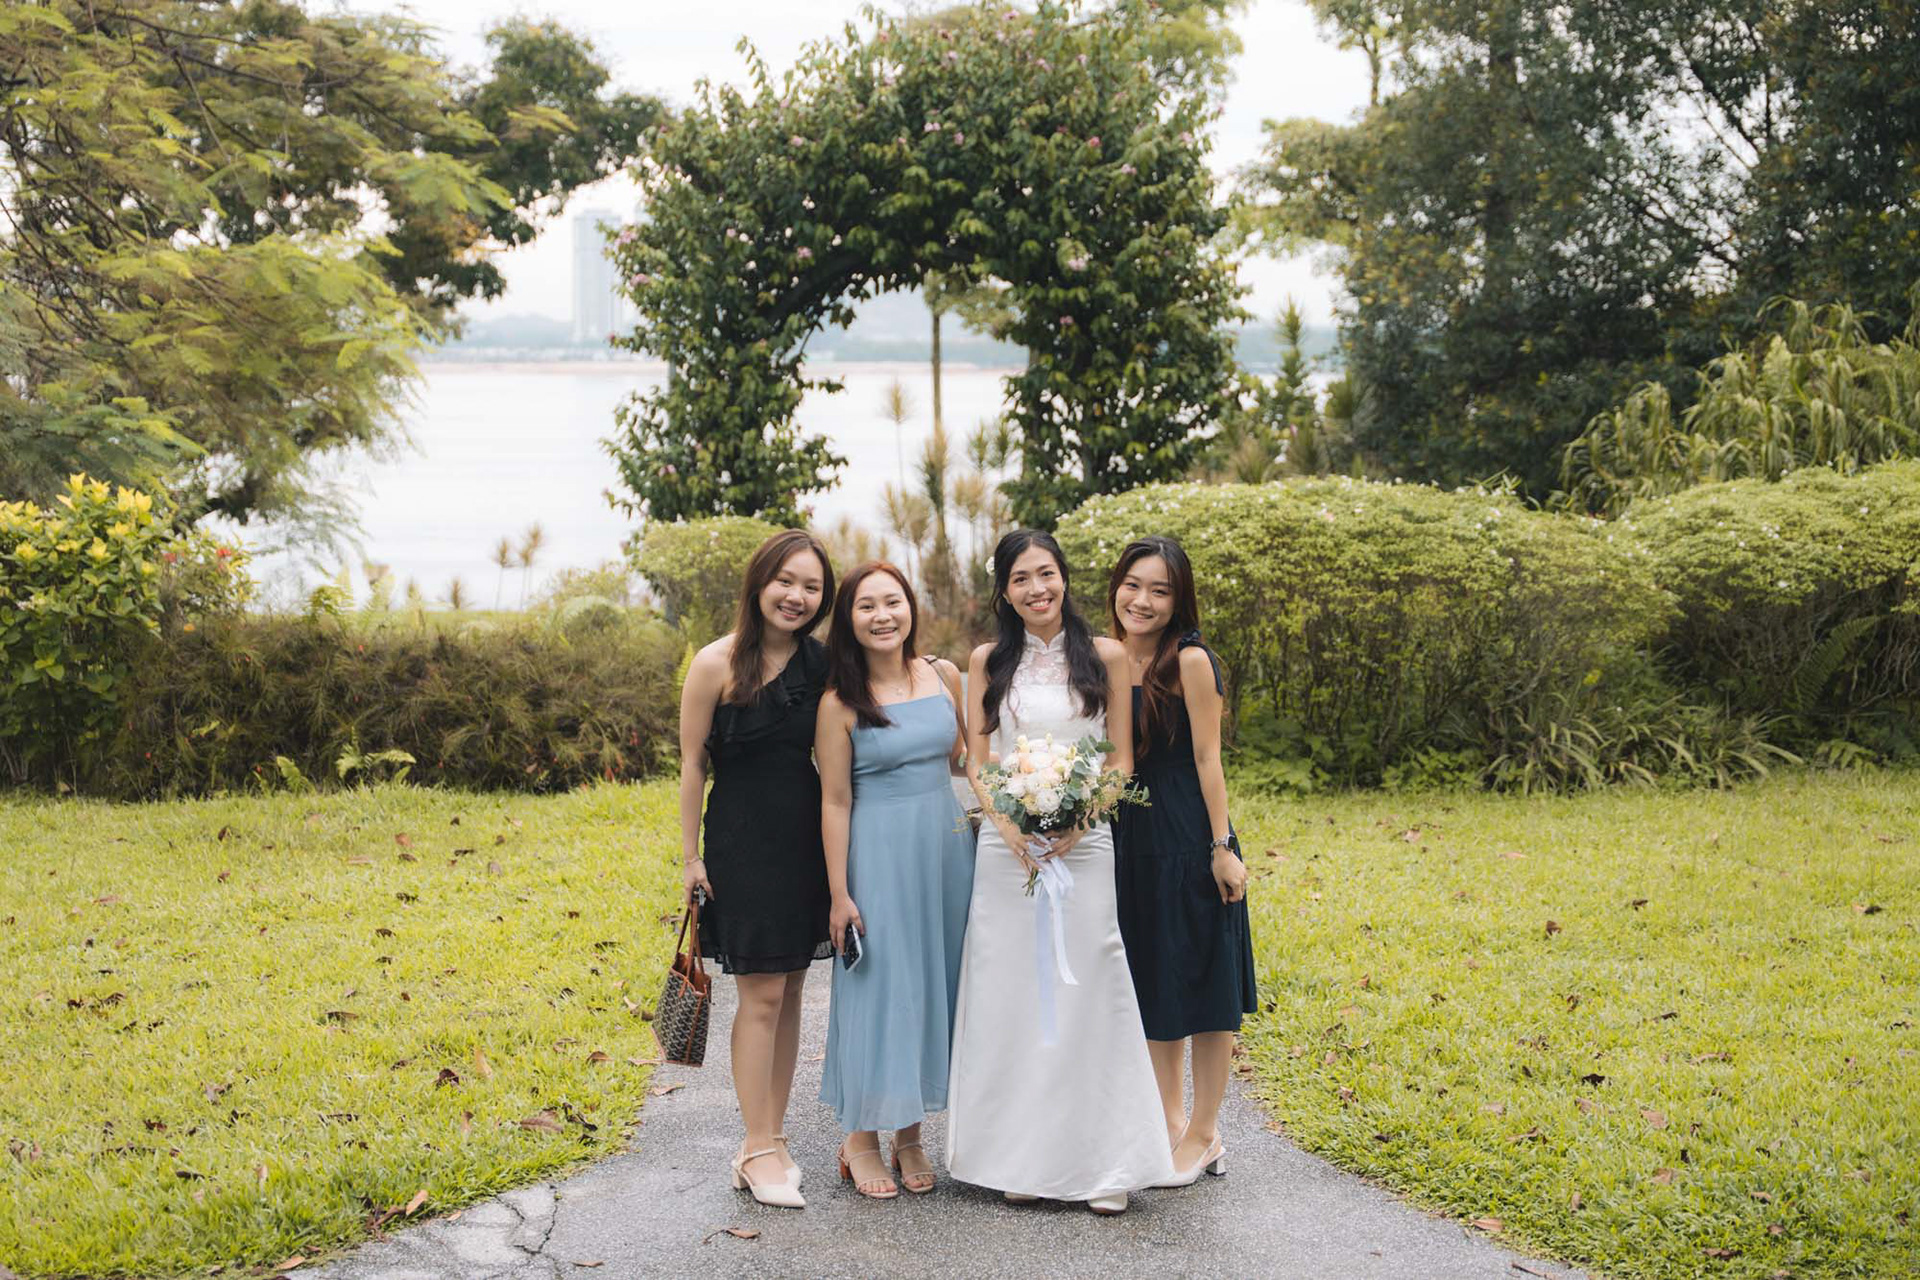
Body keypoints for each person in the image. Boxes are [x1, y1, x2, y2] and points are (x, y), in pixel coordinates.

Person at [945, 529, 1174, 1214]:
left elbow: (1120, 761)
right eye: (1020, 579)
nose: (1036, 589)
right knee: (1012, 993)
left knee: (1090, 984)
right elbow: (978, 761)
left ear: (1064, 577)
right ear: (1004, 591)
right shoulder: (986, 660)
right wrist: (1010, 827)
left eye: (1045, 573)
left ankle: (1106, 1164)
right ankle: (1022, 1158)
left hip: (1086, 843)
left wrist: (1079, 822)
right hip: (1007, 850)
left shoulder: (1106, 655)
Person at [676, 529, 835, 1209]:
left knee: (791, 989)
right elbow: (692, 764)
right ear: (759, 583)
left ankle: (771, 1137)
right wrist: (691, 856)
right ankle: (756, 1146)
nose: (797, 596)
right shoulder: (714, 663)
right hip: (742, 841)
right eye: (786, 581)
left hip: (806, 839)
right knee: (762, 995)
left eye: (812, 587)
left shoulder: (824, 665)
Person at [815, 562, 974, 1199]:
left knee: (932, 983)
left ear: (911, 607)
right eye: (866, 606)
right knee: (880, 987)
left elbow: (964, 760)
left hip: (946, 847)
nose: (882, 616)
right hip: (877, 854)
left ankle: (909, 1134)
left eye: (893, 602)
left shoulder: (944, 675)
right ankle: (859, 1138)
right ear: (849, 621)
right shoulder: (838, 702)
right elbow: (834, 801)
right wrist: (839, 893)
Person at [1108, 535, 1256, 1187]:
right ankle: (1169, 1122)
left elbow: (1207, 758)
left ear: (1178, 600)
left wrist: (1220, 848)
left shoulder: (1191, 661)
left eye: (1159, 591)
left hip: (1189, 835)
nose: (1142, 601)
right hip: (1129, 838)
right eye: (1133, 585)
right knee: (1154, 982)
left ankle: (1204, 1130)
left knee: (1204, 983)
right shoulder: (1106, 657)